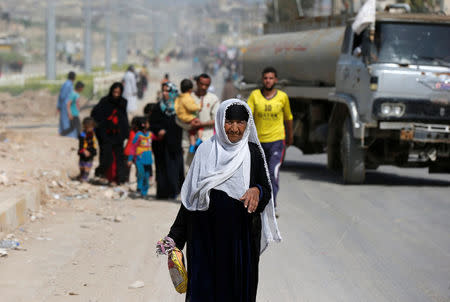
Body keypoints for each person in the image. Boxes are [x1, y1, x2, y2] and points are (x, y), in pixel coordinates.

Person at [166, 99, 281, 302]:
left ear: (247, 124)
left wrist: (257, 191)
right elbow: (191, 199)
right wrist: (175, 237)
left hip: (238, 242)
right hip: (203, 239)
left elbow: (266, 192)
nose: (235, 129)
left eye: (240, 123)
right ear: (220, 122)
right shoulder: (205, 151)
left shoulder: (253, 153)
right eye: (229, 122)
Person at [247, 67, 293, 216]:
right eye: (266, 78)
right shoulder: (254, 95)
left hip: (276, 141)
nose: (268, 81)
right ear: (262, 79)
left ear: (276, 80)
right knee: (257, 174)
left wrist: (290, 137)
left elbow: (288, 118)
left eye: (271, 78)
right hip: (258, 142)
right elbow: (248, 116)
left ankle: (272, 205)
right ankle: (257, 202)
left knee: (273, 173)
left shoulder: (282, 97)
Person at [149, 82, 184, 199]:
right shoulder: (159, 107)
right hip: (161, 143)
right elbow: (152, 123)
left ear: (173, 92)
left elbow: (183, 124)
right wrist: (159, 130)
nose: (164, 93)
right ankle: (162, 193)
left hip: (175, 143)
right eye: (163, 90)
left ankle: (174, 191)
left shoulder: (179, 107)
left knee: (174, 167)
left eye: (167, 91)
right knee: (161, 167)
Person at [91, 82, 129, 185]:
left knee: (118, 158)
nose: (116, 94)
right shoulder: (104, 101)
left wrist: (126, 133)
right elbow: (96, 115)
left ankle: (118, 178)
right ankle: (104, 175)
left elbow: (124, 118)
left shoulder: (123, 102)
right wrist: (99, 129)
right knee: (107, 157)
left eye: (118, 92)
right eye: (114, 92)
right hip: (106, 134)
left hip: (118, 135)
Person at [182, 73, 220, 167]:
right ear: (197, 83)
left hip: (207, 139)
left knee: (205, 170)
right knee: (188, 171)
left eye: (206, 85)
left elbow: (217, 119)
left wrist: (201, 124)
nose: (203, 87)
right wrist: (190, 124)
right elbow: (179, 118)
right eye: (201, 84)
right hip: (188, 140)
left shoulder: (213, 99)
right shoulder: (187, 97)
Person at [175, 79, 203, 153]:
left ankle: (192, 146)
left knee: (191, 132)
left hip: (182, 118)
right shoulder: (188, 97)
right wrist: (199, 107)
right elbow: (191, 107)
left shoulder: (179, 97)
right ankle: (199, 139)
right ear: (190, 89)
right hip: (189, 118)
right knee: (200, 126)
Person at [127, 117, 154, 197]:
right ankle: (139, 188)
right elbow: (133, 147)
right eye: (147, 123)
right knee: (140, 173)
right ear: (143, 125)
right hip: (139, 158)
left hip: (148, 159)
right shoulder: (138, 135)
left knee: (147, 175)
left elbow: (156, 139)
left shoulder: (150, 134)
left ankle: (144, 192)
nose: (149, 124)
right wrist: (130, 159)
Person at [77, 117, 97, 182]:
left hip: (91, 151)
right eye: (89, 127)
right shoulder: (82, 135)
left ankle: (85, 177)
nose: (90, 129)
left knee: (88, 165)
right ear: (85, 127)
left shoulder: (93, 133)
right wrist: (83, 150)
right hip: (83, 151)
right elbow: (81, 144)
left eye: (91, 127)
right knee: (82, 165)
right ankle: (81, 174)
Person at [57, 71, 77, 138]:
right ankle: (67, 134)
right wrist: (59, 105)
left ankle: (64, 133)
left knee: (65, 119)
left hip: (67, 104)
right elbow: (62, 96)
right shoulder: (68, 85)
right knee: (66, 120)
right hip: (66, 104)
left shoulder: (68, 84)